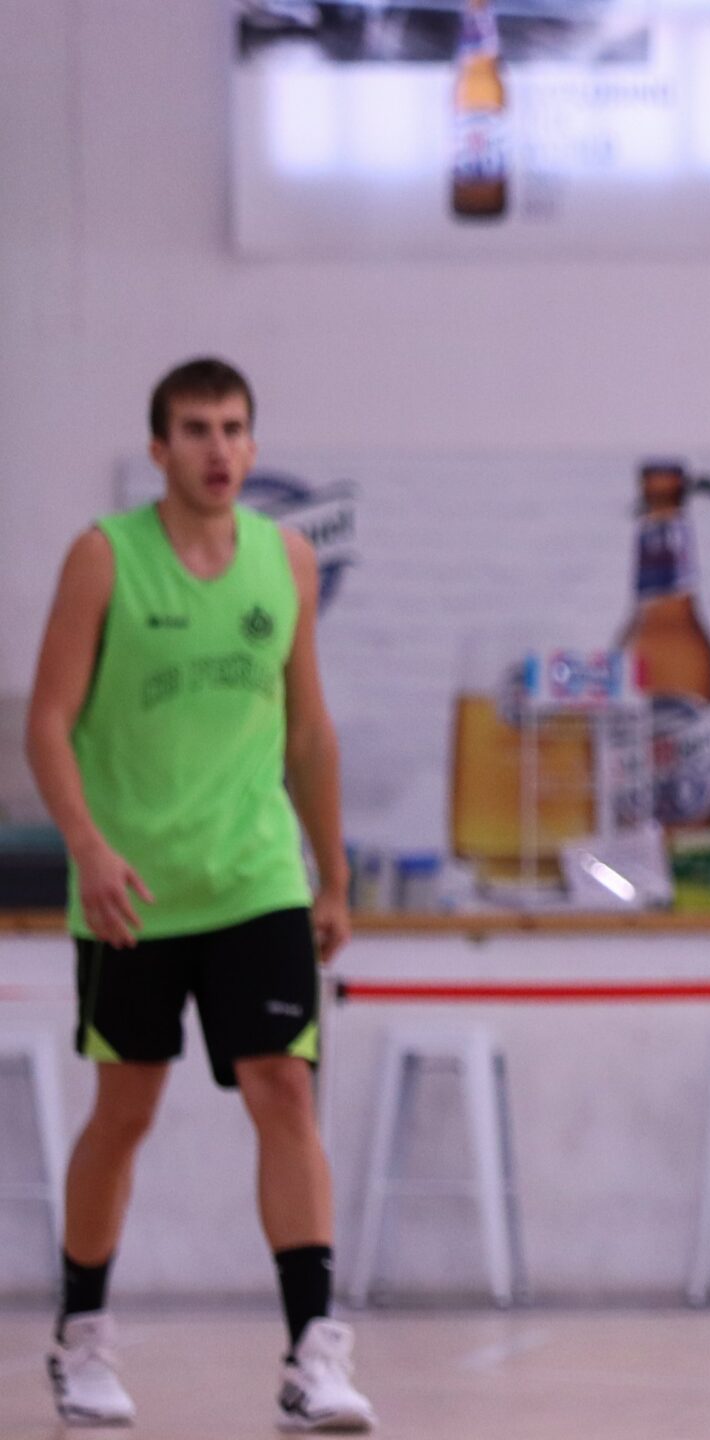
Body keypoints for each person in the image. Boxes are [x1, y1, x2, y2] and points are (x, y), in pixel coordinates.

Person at [26, 358, 373, 1431]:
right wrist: (87, 847)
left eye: (232, 429)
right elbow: (47, 723)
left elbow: (308, 732)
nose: (217, 448)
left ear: (253, 447)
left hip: (257, 878)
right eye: (195, 429)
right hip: (132, 889)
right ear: (160, 448)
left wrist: (332, 873)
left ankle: (313, 1352)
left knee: (284, 1090)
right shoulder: (104, 558)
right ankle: (83, 1336)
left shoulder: (287, 560)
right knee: (125, 1111)